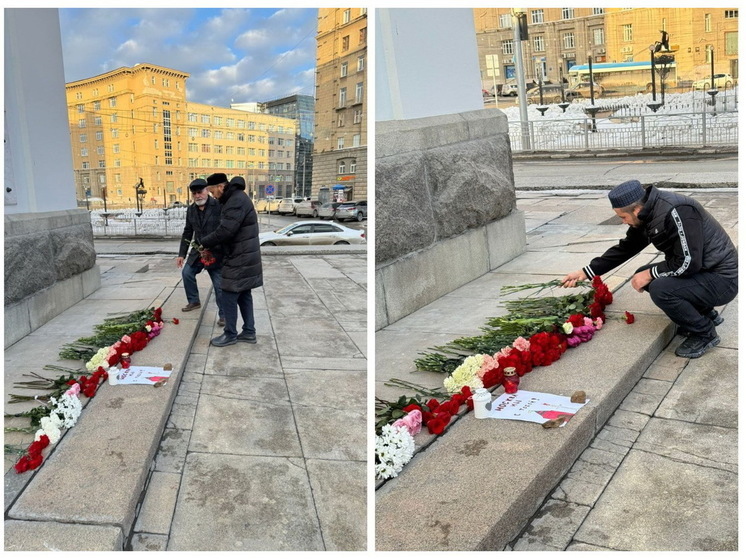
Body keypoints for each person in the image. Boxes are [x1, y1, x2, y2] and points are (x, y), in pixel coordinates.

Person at [562, 179, 737, 359]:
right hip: (704, 271)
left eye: (623, 217)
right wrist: (586, 272)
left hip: (723, 279)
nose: (622, 222)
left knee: (661, 288)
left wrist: (650, 274)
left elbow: (689, 263)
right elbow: (627, 247)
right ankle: (706, 313)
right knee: (645, 274)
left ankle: (705, 333)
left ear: (636, 210)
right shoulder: (647, 212)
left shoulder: (677, 211)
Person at [200, 174, 263, 347]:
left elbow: (226, 231)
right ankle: (249, 332)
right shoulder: (236, 197)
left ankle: (230, 334)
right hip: (245, 254)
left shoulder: (235, 200)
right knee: (244, 293)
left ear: (220, 186)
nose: (213, 195)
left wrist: (204, 241)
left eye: (212, 191)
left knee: (228, 293)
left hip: (239, 256)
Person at [177, 178, 225, 326]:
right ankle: (194, 301)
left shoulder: (218, 206)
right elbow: (187, 232)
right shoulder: (191, 209)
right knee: (187, 273)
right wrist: (181, 254)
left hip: (216, 252)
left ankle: (223, 314)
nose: (198, 196)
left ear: (207, 191)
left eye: (200, 192)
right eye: (194, 193)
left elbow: (224, 230)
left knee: (219, 284)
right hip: (198, 251)